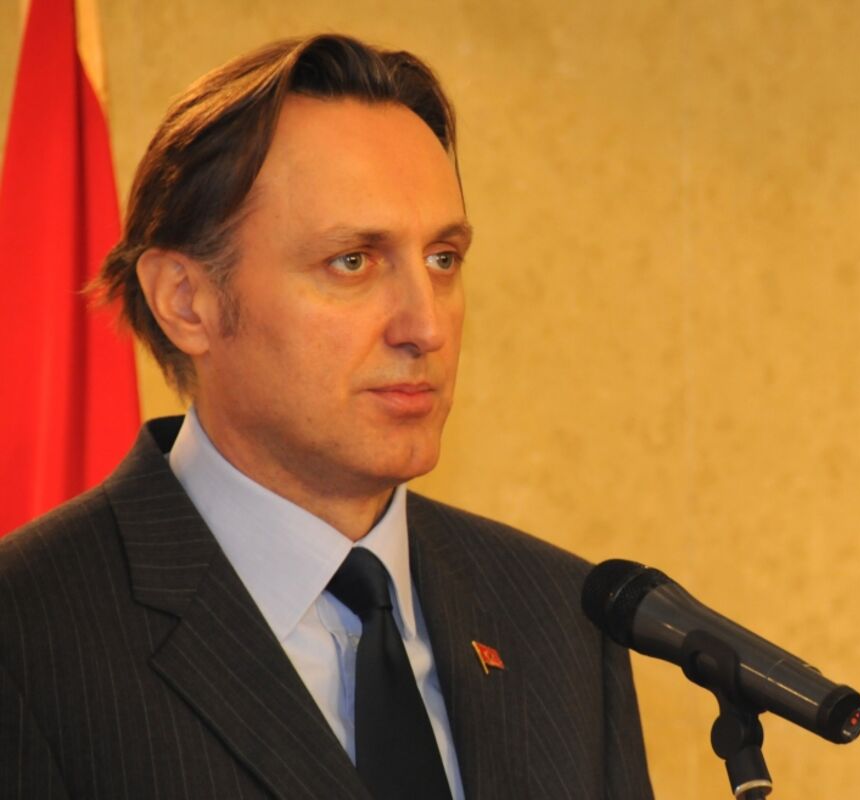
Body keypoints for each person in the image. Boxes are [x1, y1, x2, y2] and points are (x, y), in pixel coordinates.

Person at [0, 34, 654, 799]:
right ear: (187, 301)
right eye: (353, 262)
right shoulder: (28, 637)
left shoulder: (562, 618)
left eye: (443, 259)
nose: (426, 326)